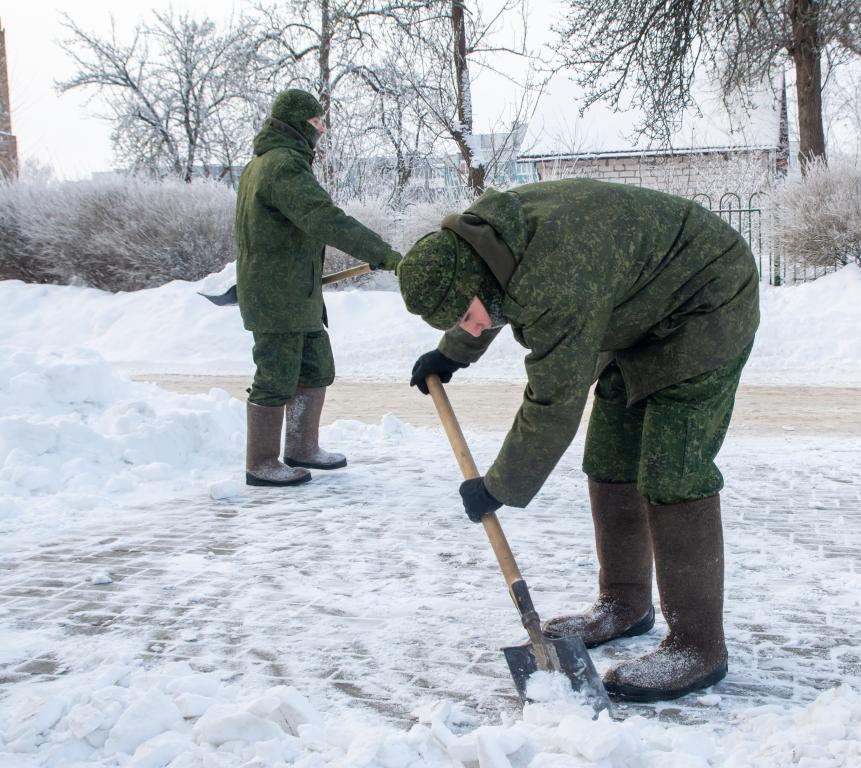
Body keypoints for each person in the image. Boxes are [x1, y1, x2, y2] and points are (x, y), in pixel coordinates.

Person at [397, 178, 759, 702]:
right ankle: (624, 602)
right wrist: (454, 351)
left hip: (706, 297)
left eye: (466, 314)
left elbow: (554, 400)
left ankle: (698, 645)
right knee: (609, 454)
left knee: (672, 468)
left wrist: (498, 485)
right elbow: (495, 296)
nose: (472, 324)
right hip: (635, 311)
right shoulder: (486, 242)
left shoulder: (555, 276)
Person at [235, 89, 401, 487]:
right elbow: (323, 218)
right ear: (295, 124)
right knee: (275, 377)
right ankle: (260, 462)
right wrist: (383, 253)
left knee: (315, 368)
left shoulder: (270, 163)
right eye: (315, 123)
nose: (322, 130)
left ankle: (302, 447)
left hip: (298, 293)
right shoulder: (281, 166)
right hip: (278, 296)